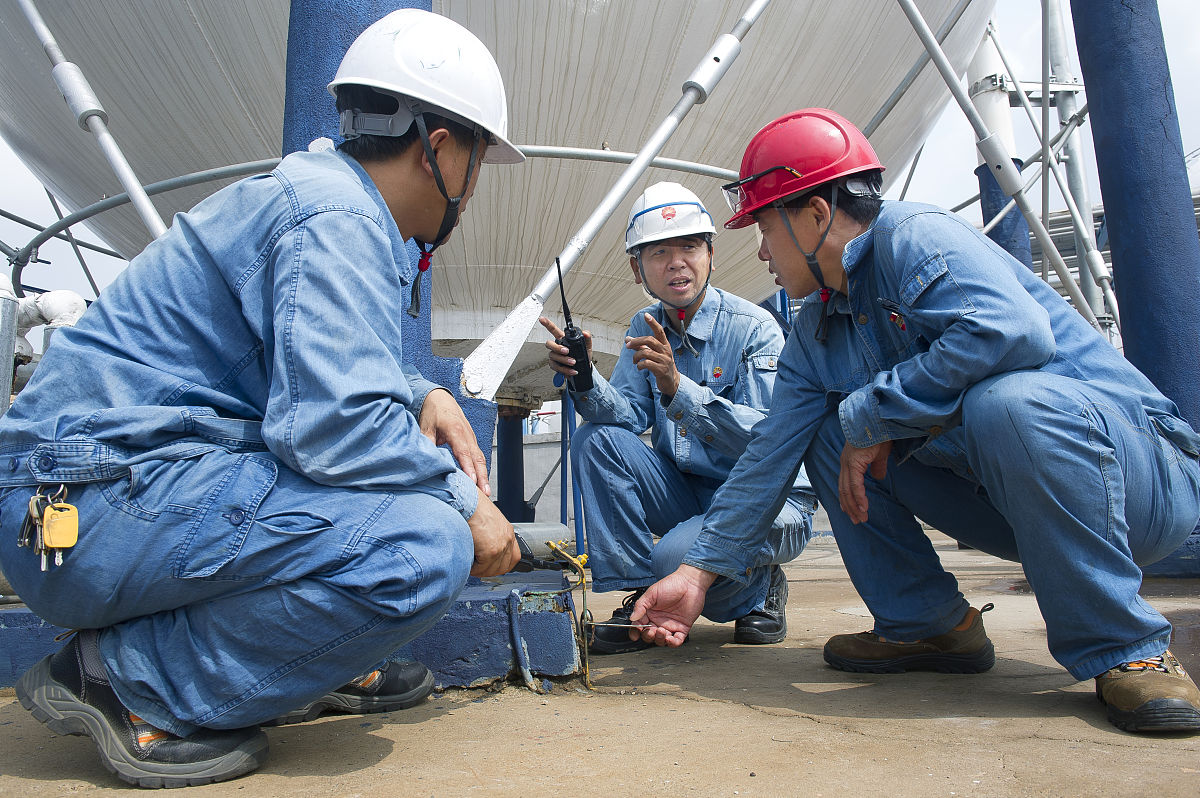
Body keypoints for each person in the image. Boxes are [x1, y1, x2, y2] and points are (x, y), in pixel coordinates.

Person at [0, 9, 524, 787]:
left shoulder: (323, 198)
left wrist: (419, 392)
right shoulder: (337, 217)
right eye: (479, 159)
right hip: (78, 516)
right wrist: (466, 502)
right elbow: (333, 428)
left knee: (389, 492)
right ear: (440, 148)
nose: (474, 187)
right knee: (421, 547)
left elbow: (308, 367)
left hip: (62, 513)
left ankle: (294, 666)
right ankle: (128, 682)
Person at [629, 108, 1200, 734]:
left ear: (816, 214)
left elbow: (1012, 333)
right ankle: (927, 625)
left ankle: (1128, 649)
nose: (761, 251)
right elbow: (768, 456)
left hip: (1140, 485)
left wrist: (872, 412)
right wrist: (696, 574)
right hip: (1020, 511)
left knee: (1004, 402)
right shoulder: (815, 329)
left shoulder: (913, 235)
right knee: (827, 431)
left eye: (765, 228)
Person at [540, 181, 817, 655]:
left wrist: (677, 388)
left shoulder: (753, 329)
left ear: (710, 254)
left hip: (765, 499)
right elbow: (626, 417)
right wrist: (584, 377)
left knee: (673, 561)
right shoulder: (644, 325)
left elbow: (770, 442)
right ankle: (639, 594)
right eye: (659, 252)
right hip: (689, 493)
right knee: (595, 439)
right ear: (637, 268)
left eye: (689, 247)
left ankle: (761, 587)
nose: (676, 262)